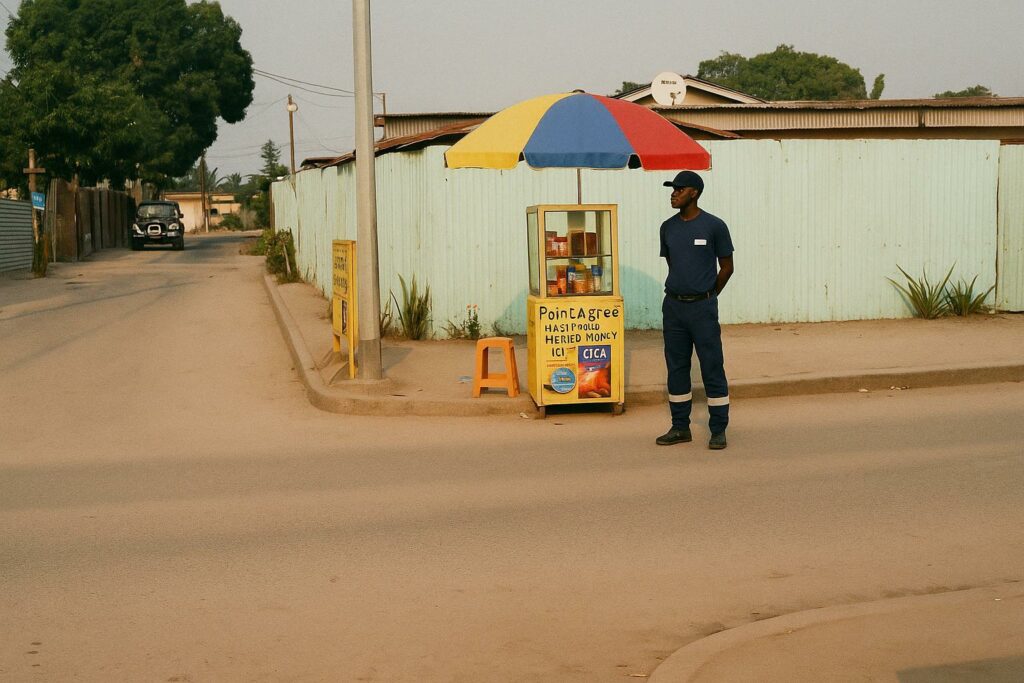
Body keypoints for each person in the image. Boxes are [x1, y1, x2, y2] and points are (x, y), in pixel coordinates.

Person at [656, 171, 734, 450]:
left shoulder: (715, 226)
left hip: (703, 309)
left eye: (679, 189)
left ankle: (718, 429)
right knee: (677, 367)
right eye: (672, 189)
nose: (673, 193)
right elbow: (674, 266)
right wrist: (682, 291)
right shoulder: (667, 227)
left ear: (694, 193)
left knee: (712, 365)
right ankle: (680, 427)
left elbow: (727, 267)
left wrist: (708, 294)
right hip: (673, 308)